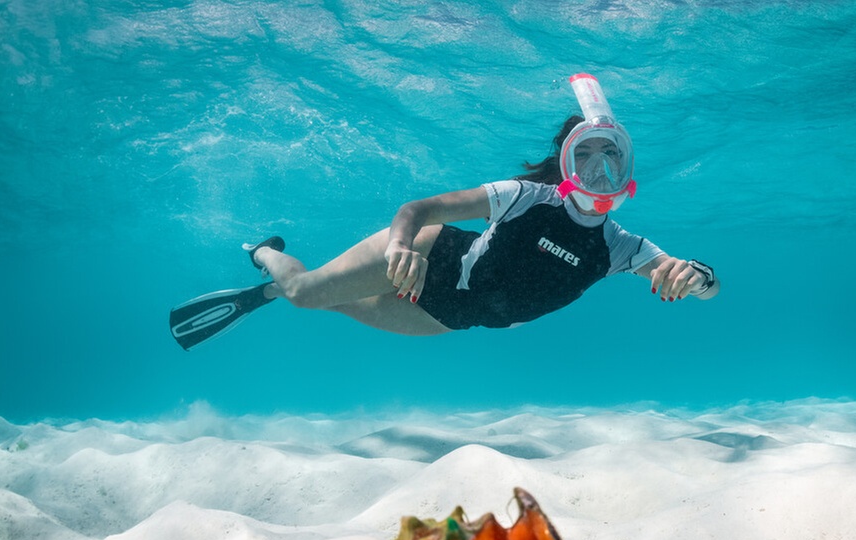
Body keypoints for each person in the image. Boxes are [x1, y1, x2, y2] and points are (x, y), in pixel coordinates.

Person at [169, 74, 718, 349]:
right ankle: (264, 254)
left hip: (449, 317)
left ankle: (269, 293)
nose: (599, 171)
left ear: (626, 170)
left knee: (326, 304)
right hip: (430, 253)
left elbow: (703, 287)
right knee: (308, 292)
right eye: (586, 155)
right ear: (566, 163)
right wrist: (401, 245)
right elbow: (417, 208)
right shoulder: (525, 197)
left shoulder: (620, 247)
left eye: (611, 158)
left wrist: (695, 276)